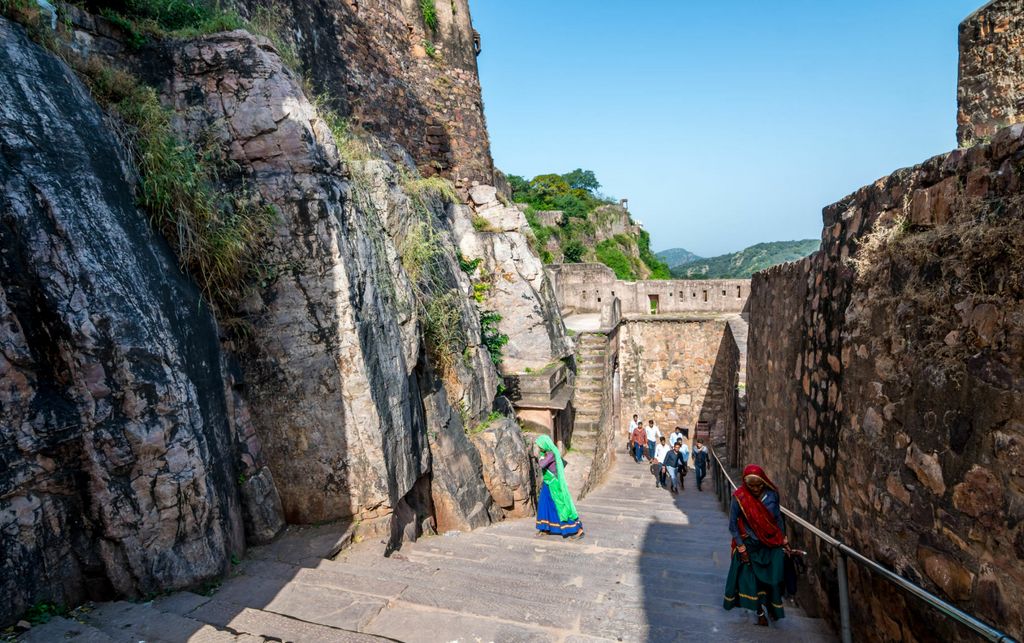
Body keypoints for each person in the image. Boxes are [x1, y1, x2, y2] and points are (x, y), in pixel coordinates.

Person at [723, 464, 789, 626]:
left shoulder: (772, 495)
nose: (755, 489)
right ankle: (759, 612)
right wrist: (741, 547)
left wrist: (783, 538)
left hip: (770, 544)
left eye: (758, 485)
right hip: (749, 546)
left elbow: (778, 519)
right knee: (751, 581)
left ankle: (773, 607)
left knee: (773, 579)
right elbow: (733, 525)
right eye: (751, 486)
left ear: (764, 482)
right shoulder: (740, 498)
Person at [534, 435, 584, 539]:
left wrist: (539, 456)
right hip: (547, 483)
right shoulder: (547, 453)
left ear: (544, 445)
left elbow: (542, 464)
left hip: (554, 484)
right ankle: (545, 527)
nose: (539, 448)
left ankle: (578, 529)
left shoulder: (551, 454)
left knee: (562, 506)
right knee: (544, 505)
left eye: (539, 446)